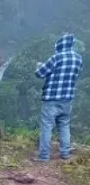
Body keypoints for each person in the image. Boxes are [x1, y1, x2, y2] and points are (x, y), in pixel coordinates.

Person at [35, 33, 83, 161]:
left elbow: (40, 74)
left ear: (59, 45)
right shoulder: (78, 58)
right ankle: (65, 154)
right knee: (64, 125)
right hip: (67, 99)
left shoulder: (56, 58)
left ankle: (44, 156)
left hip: (51, 98)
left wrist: (39, 65)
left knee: (46, 126)